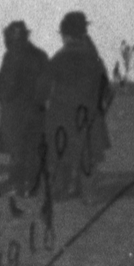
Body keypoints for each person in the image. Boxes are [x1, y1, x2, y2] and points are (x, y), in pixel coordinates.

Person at [45, 11, 112, 201]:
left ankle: (60, 191)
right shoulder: (94, 57)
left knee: (60, 153)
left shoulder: (59, 57)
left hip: (61, 114)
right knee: (87, 154)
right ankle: (89, 194)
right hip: (89, 114)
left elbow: (42, 87)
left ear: (65, 35)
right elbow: (106, 88)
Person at [0, 20, 49, 196]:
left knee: (17, 151)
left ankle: (18, 187)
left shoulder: (12, 55)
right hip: (37, 111)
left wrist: (2, 96)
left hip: (15, 112)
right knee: (33, 150)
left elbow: (6, 85)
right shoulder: (41, 55)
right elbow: (46, 85)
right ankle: (32, 186)